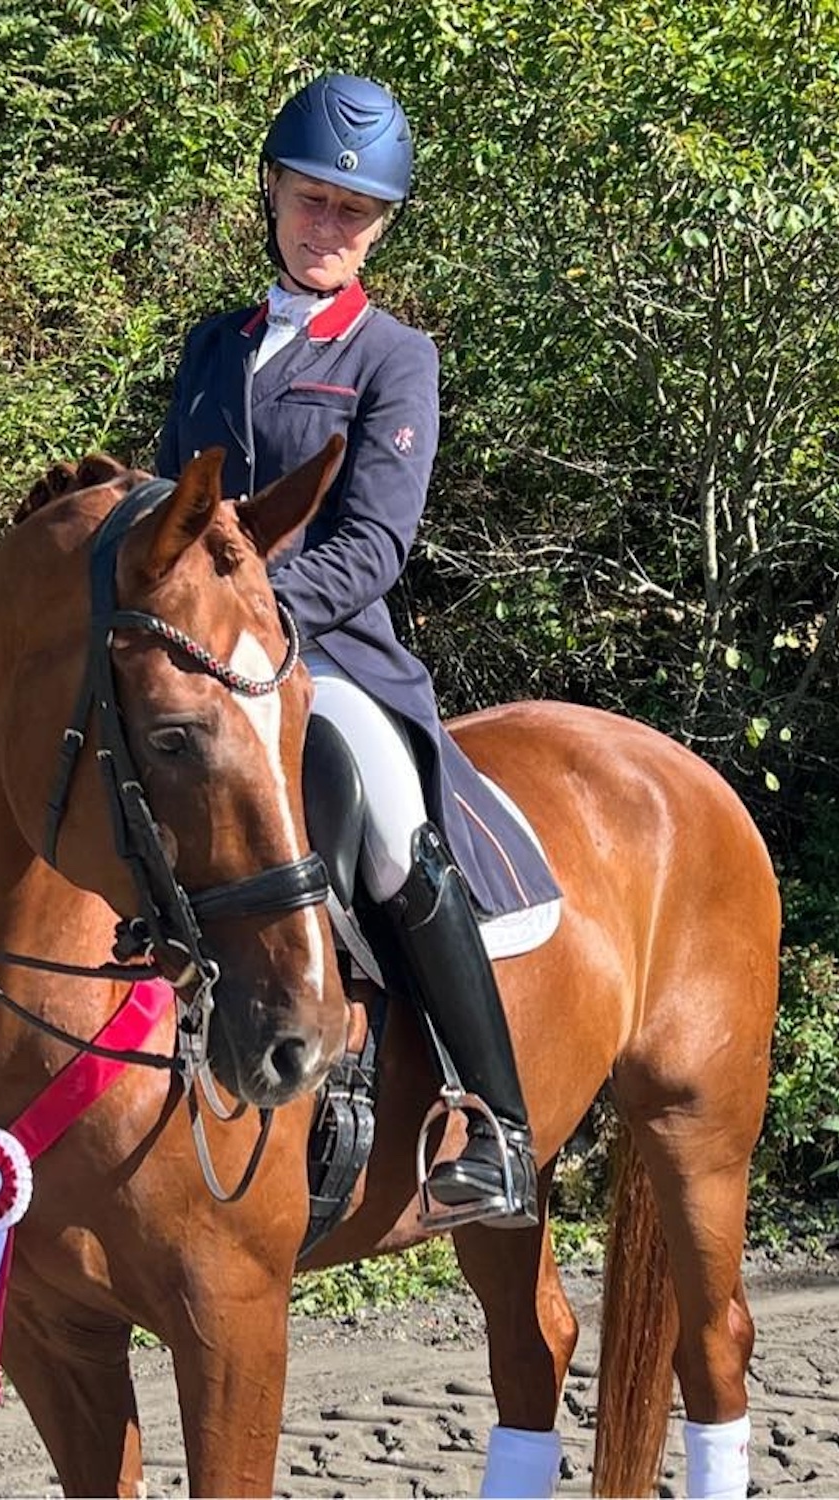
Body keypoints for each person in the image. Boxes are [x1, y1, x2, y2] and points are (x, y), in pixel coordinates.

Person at [157, 74, 561, 1230]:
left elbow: (373, 545)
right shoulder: (209, 347)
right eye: (311, 200)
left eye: (353, 212)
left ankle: (497, 1125)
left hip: (331, 660)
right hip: (193, 659)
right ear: (270, 195)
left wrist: (247, 625)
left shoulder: (396, 359)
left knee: (382, 811)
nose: (327, 226)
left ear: (376, 227)